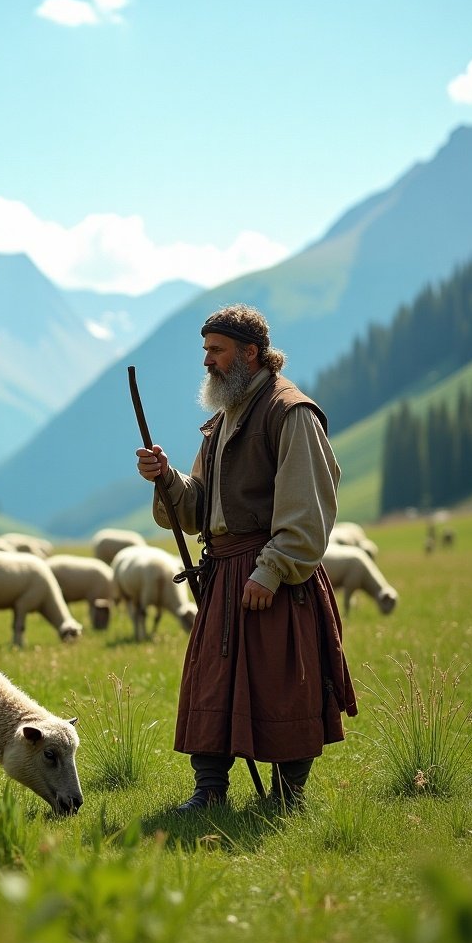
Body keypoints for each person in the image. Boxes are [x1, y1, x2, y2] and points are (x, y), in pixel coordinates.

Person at [135, 304, 357, 812]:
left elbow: (308, 506)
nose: (207, 362)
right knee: (212, 679)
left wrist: (272, 570)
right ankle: (208, 792)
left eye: (217, 351)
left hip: (272, 576)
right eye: (206, 351)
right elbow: (196, 509)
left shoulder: (290, 412)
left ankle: (287, 796)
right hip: (225, 573)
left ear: (250, 353)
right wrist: (166, 479)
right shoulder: (224, 420)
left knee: (282, 684)